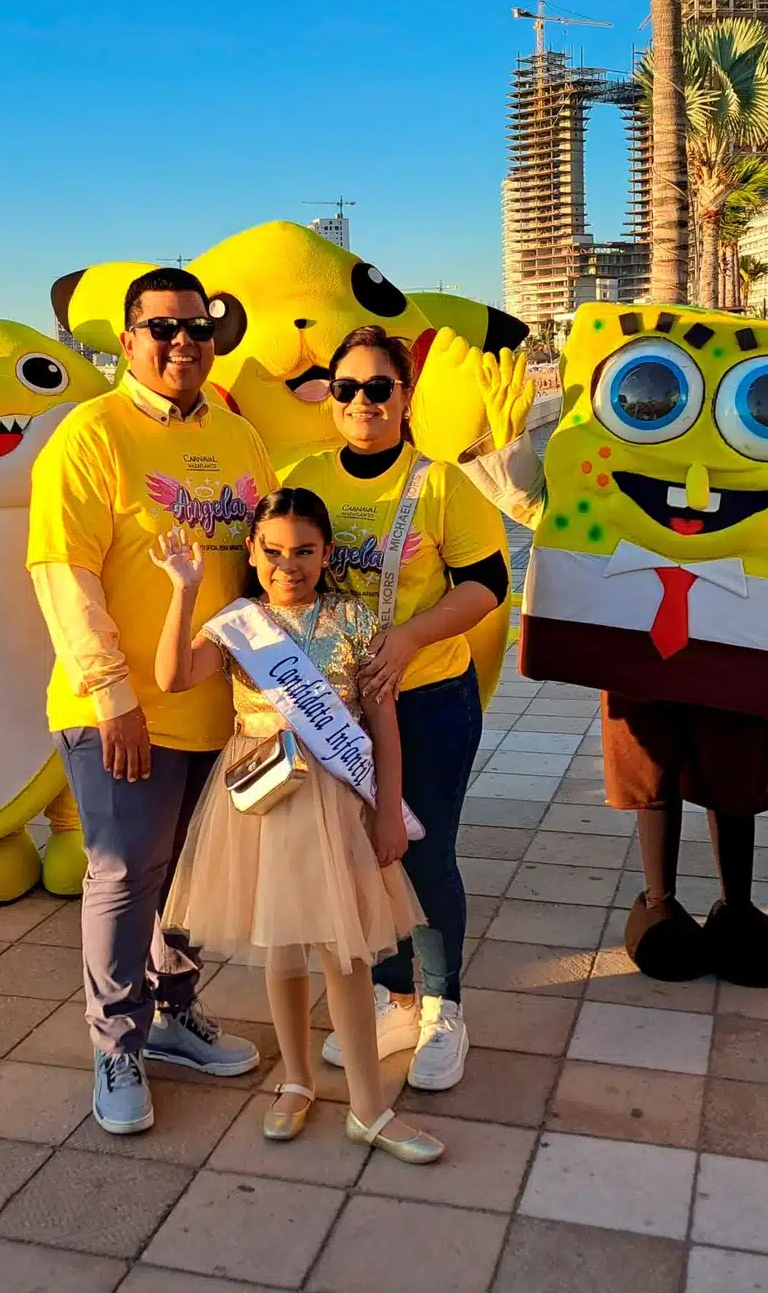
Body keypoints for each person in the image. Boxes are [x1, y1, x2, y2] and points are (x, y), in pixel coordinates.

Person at [28, 265, 277, 1136]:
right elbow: (64, 573)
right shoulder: (89, 435)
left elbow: (264, 562)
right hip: (123, 711)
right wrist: (111, 695)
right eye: (162, 328)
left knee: (195, 879)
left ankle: (174, 1015)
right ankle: (117, 1045)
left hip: (221, 706)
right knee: (127, 875)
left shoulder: (240, 439)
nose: (183, 342)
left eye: (199, 328)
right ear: (127, 340)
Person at [153, 491, 442, 1163]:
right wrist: (183, 591)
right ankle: (297, 1080)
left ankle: (369, 1106)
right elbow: (172, 677)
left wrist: (390, 811)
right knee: (281, 946)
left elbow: (383, 726)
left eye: (304, 552)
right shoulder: (236, 623)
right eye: (274, 551)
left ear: (326, 555)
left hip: (338, 799)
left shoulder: (354, 620)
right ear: (251, 552)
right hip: (261, 796)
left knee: (343, 954)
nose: (289, 565)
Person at [284, 326, 508, 1091]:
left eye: (380, 388)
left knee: (422, 851)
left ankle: (445, 1006)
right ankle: (395, 994)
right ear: (330, 398)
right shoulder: (305, 475)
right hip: (336, 711)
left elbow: (486, 586)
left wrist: (411, 636)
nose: (362, 403)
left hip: (430, 699)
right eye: (347, 388)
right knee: (358, 853)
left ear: (405, 398)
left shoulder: (442, 483)